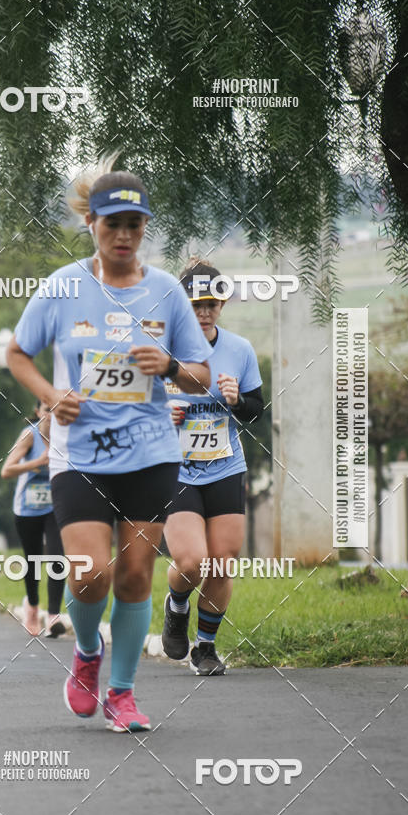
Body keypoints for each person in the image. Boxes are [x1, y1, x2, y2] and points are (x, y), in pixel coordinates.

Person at [6, 156, 212, 731]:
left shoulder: (167, 292)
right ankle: (88, 654)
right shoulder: (64, 286)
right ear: (91, 224)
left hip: (150, 451)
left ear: (145, 228)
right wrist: (52, 396)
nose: (123, 236)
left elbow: (200, 373)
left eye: (134, 225)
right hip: (80, 453)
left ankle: (121, 694)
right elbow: (17, 353)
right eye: (111, 224)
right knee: (89, 574)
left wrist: (170, 364)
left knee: (134, 577)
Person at [161, 259, 264, 675]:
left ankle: (205, 647)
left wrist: (237, 400)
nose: (204, 312)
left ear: (222, 304)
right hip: (175, 470)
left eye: (212, 303)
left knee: (222, 561)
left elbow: (257, 410)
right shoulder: (161, 349)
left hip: (224, 467)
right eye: (195, 304)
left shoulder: (239, 350)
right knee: (191, 562)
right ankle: (177, 603)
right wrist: (160, 414)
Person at [1, 401, 66, 638]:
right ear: (38, 412)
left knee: (58, 557)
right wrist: (38, 463)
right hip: (27, 508)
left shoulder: (64, 435)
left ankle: (53, 616)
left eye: (55, 409)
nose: (51, 414)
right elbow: (6, 470)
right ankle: (32, 605)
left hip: (55, 506)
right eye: (47, 409)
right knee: (34, 561)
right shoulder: (30, 435)